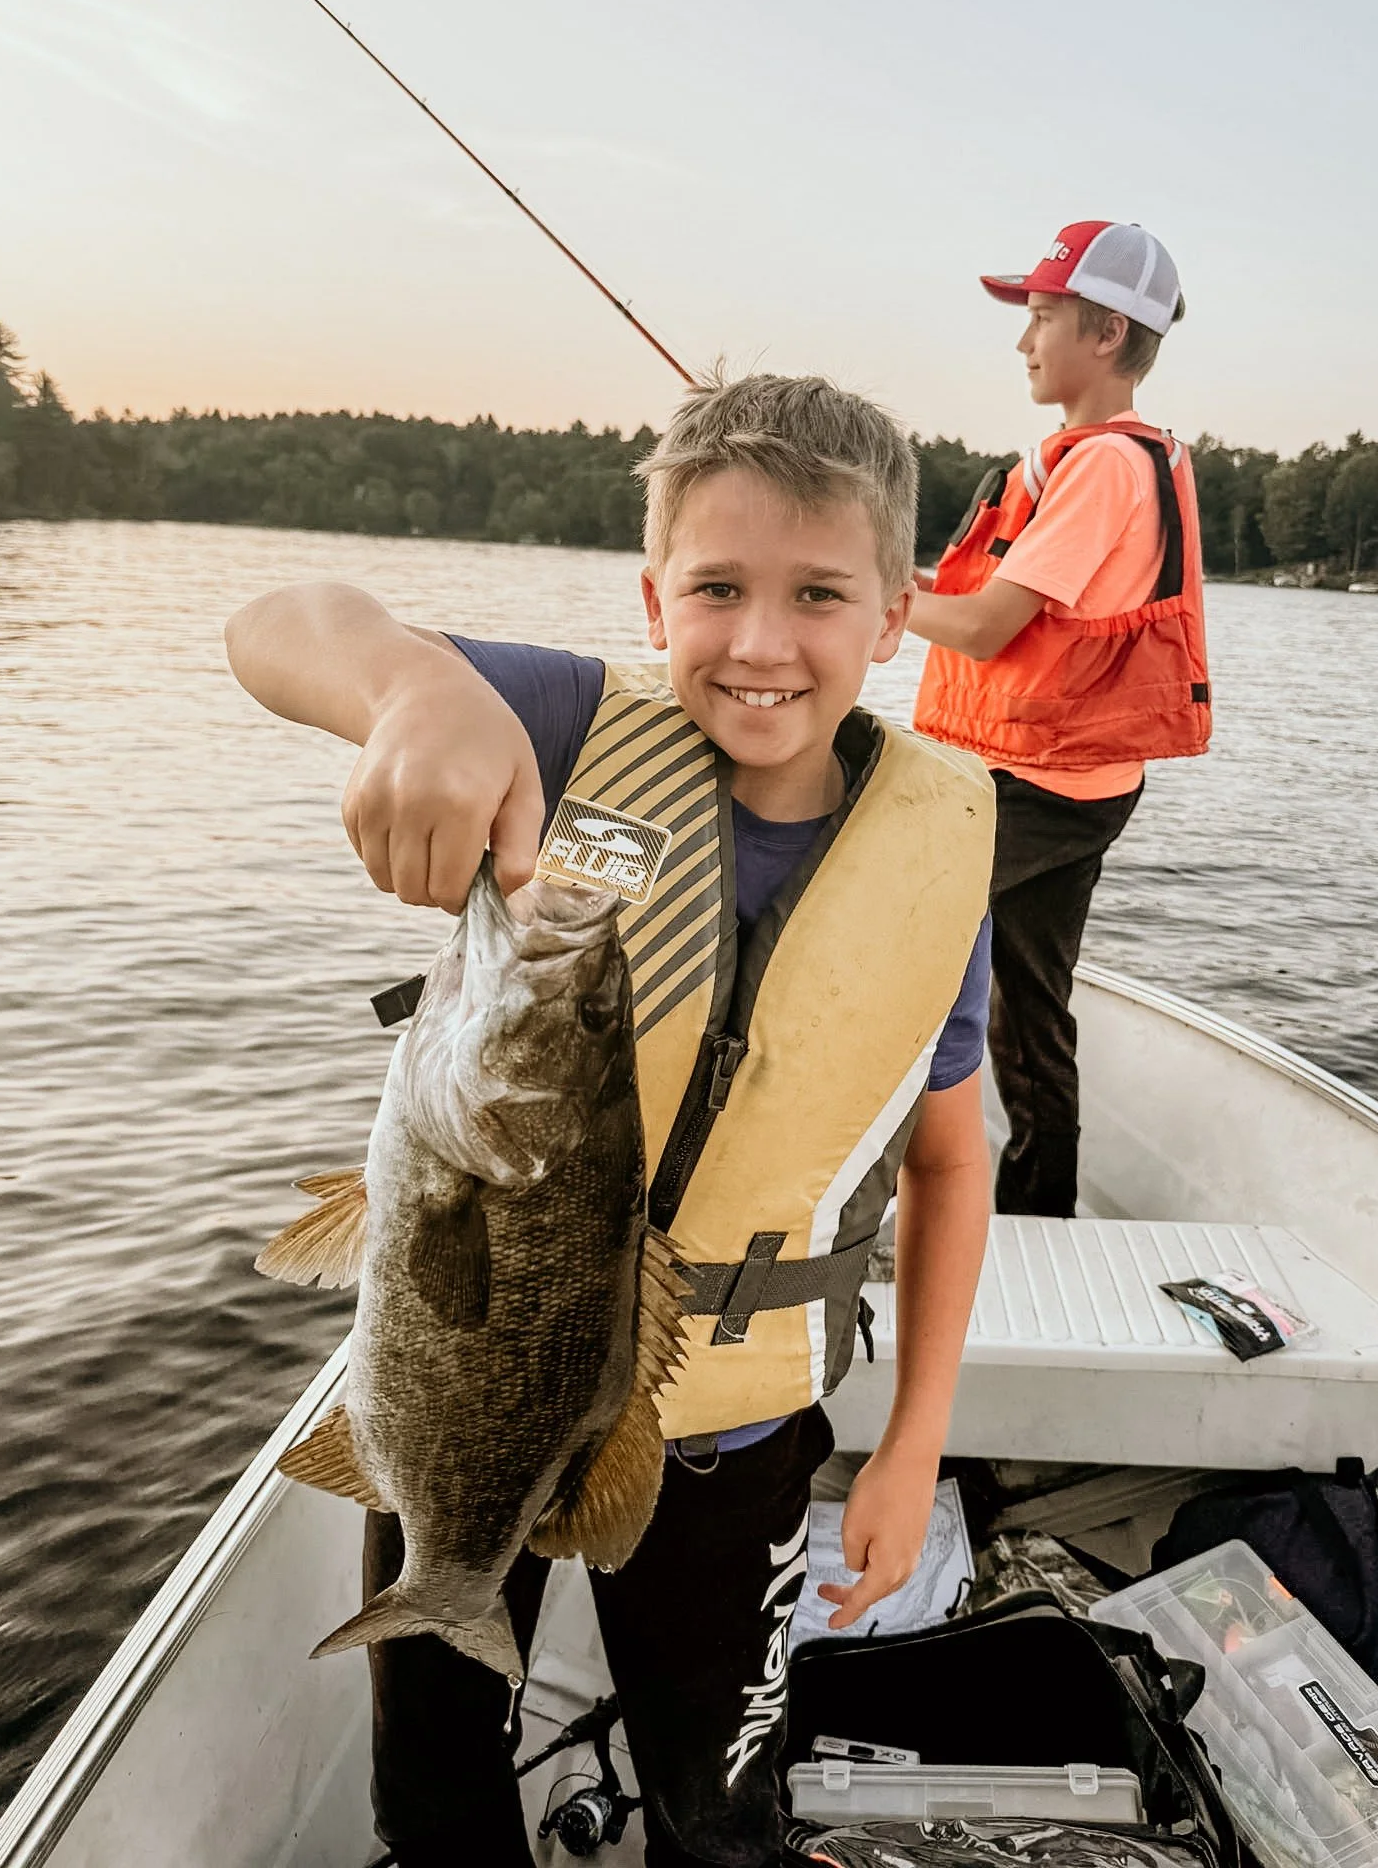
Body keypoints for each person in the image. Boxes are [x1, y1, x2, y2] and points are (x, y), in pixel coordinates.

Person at [225, 372, 997, 1868]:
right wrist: (414, 688)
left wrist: (914, 1449)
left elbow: (954, 1158)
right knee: (435, 1794)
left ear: (895, 615)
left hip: (739, 1434)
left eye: (820, 594)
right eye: (718, 587)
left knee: (721, 1810)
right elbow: (275, 623)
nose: (763, 642)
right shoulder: (567, 722)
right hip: (453, 1416)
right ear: (656, 599)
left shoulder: (936, 855)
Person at [909, 220, 1211, 1220]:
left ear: (1109, 334)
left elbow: (991, 630)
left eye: (1042, 315)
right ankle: (1040, 1214)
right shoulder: (1130, 458)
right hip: (1086, 782)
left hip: (1036, 785)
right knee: (1029, 1012)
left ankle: (864, 1210)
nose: (1023, 338)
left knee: (885, 947)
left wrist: (868, 599)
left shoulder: (1101, 467)